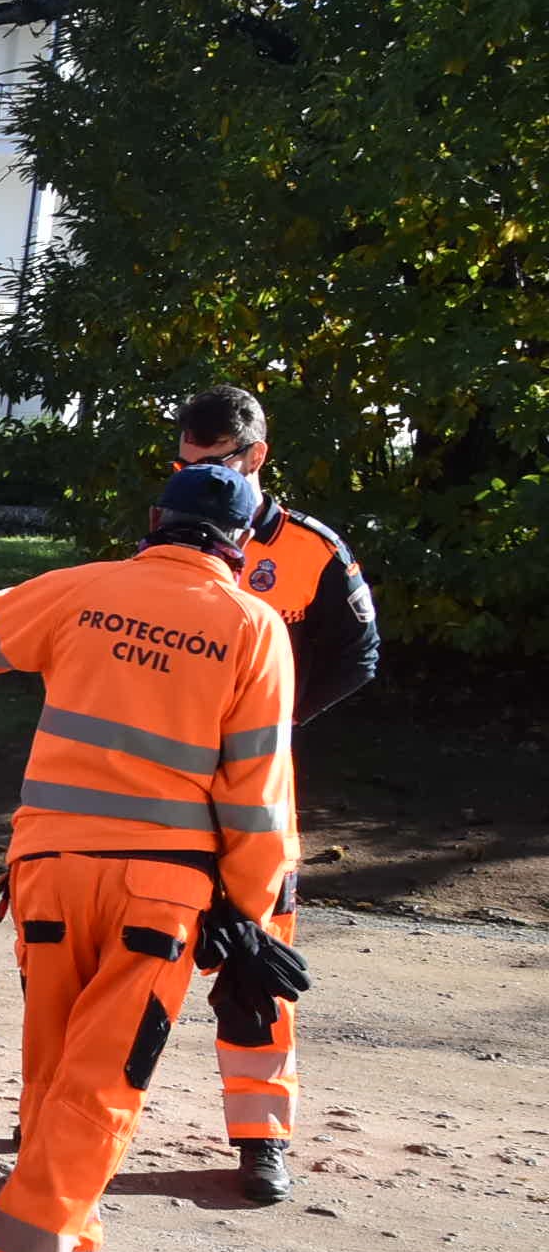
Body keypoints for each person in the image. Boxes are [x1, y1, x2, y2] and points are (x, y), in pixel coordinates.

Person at [0, 462, 298, 1252]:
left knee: (55, 1072)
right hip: (160, 895)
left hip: (49, 873)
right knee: (102, 1088)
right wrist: (249, 912)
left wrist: (78, 608)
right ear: (244, 543)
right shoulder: (254, 628)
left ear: (155, 520)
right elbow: (257, 801)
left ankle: (62, 1250)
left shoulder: (83, 590)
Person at [169, 387, 381, 1203]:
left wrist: (272, 722)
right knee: (120, 959)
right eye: (184, 466)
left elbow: (358, 655)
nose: (196, 478)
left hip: (259, 790)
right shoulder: (171, 534)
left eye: (212, 464)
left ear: (254, 457)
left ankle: (262, 1137)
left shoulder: (312, 549)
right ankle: (68, 1113)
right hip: (170, 785)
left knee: (257, 963)